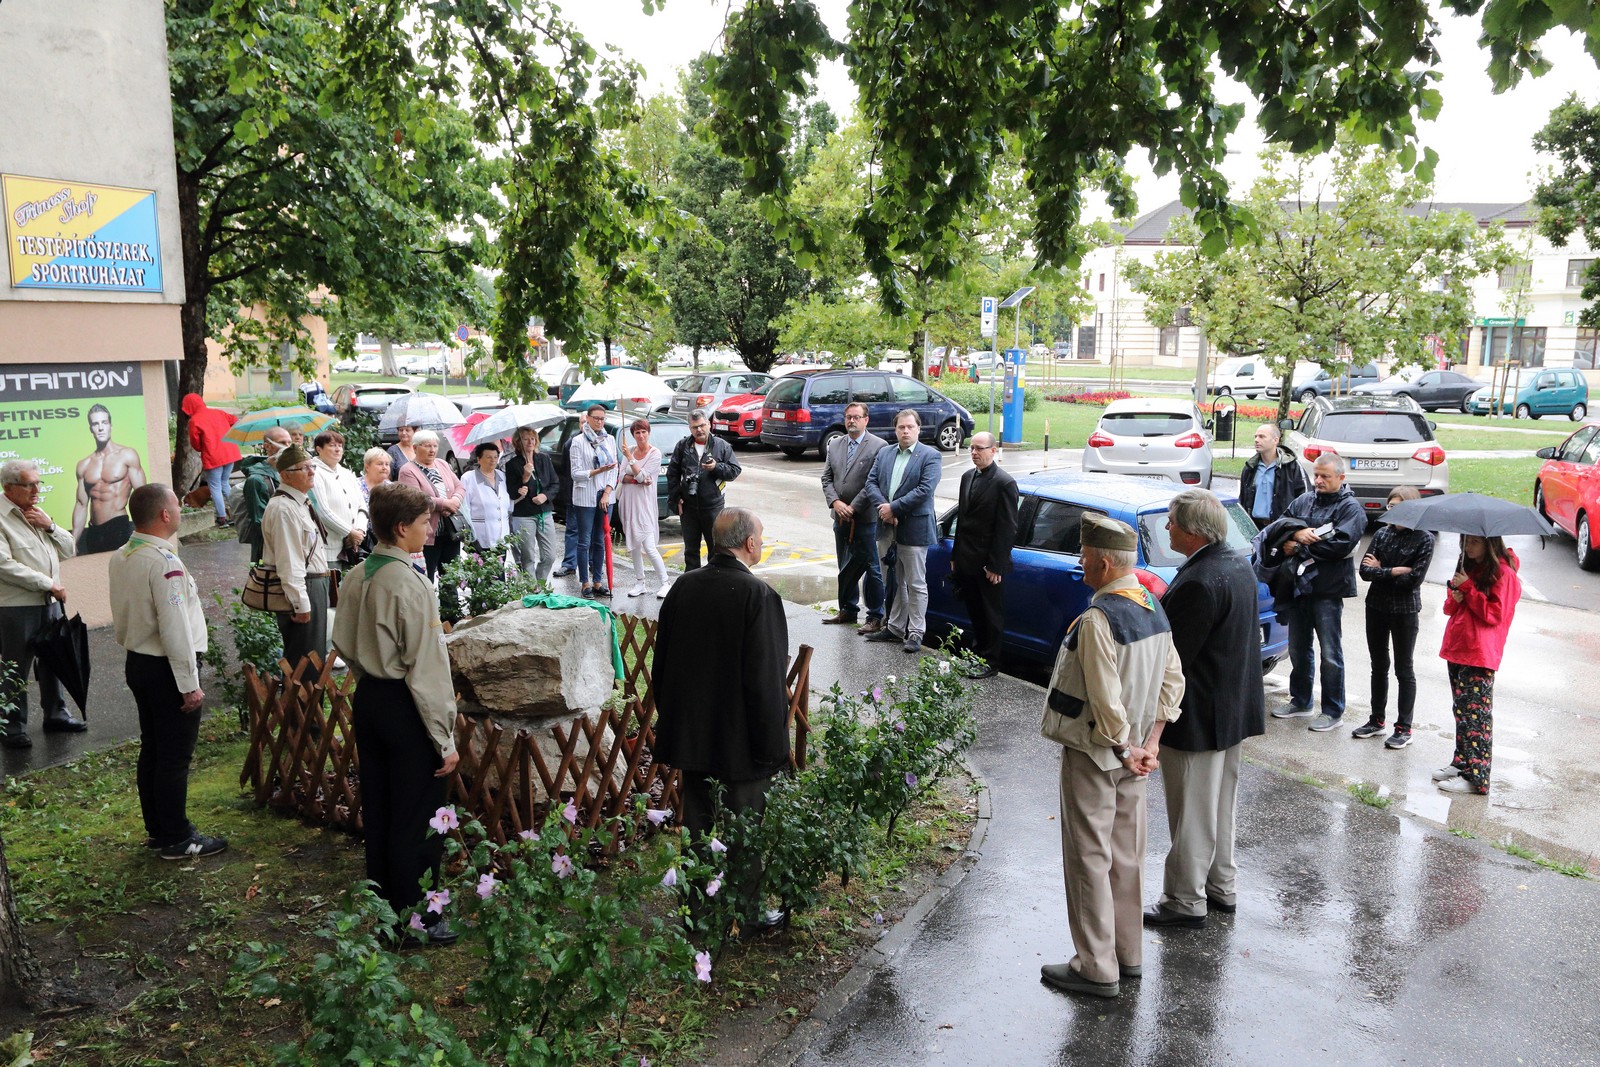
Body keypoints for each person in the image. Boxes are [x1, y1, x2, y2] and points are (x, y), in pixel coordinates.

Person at [1039, 513, 1184, 1000]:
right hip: (1139, 754)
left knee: (1088, 858)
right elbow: (1172, 683)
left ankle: (1096, 966)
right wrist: (1150, 746)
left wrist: (1124, 748)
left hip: (1101, 754)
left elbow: (1104, 698)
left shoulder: (1100, 618)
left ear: (1103, 563)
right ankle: (1128, 954)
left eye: (1083, 556)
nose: (1079, 563)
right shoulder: (1153, 608)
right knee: (1127, 856)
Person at [331, 482, 460, 946]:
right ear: (402, 527)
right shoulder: (410, 584)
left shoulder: (356, 575)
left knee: (383, 806)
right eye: (426, 523)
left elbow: (341, 641)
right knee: (419, 813)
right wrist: (443, 739)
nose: (431, 530)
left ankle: (386, 907)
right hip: (407, 703)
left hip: (370, 698)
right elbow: (426, 668)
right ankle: (418, 918)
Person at [652, 508, 789, 933]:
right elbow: (765, 682)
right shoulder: (757, 595)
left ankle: (695, 911)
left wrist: (674, 723)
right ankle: (746, 913)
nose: (762, 544)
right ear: (748, 543)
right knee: (745, 828)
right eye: (761, 537)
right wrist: (774, 749)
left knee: (698, 826)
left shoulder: (684, 587)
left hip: (693, 737)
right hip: (741, 740)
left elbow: (662, 666)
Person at [1144, 490, 1262, 929]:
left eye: (1172, 521)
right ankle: (1220, 887)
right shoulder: (1235, 563)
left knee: (1192, 812)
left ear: (1192, 531)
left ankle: (1184, 899)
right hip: (1231, 711)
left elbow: (1174, 660)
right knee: (1219, 807)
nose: (1167, 527)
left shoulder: (1198, 580)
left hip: (1197, 717)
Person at [109, 484, 226, 860]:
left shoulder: (124, 554)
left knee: (154, 749)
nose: (181, 509)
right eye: (177, 504)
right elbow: (174, 628)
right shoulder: (163, 563)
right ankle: (177, 838)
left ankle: (159, 830)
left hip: (139, 663)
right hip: (165, 668)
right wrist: (189, 685)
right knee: (174, 755)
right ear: (164, 514)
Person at [1268, 454, 1367, 733]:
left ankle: (1333, 710)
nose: (1319, 481)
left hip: (1328, 590)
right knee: (1298, 648)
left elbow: (1339, 546)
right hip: (1297, 588)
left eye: (1325, 476)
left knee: (1330, 653)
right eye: (1316, 475)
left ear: (1341, 478)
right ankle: (1300, 701)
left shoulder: (1351, 509)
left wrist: (1297, 545)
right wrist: (1295, 534)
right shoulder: (1303, 501)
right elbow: (1279, 527)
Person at [0, 460, 80, 749]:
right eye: (29, 484)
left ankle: (56, 714)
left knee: (52, 661)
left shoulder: (37, 512)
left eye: (38, 483)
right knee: (15, 668)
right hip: (15, 607)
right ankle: (11, 727)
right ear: (8, 488)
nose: (36, 490)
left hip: (49, 603)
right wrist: (49, 584)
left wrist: (51, 526)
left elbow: (69, 549)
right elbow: (4, 566)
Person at [1436, 535, 1522, 796]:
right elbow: (1449, 608)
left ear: (1490, 543)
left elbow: (1496, 614)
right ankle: (1461, 762)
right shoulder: (1468, 568)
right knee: (1462, 712)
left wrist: (1470, 590)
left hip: (1479, 652)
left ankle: (1477, 778)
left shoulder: (1504, 574)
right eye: (1465, 541)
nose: (1468, 547)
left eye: (1474, 542)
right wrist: (1458, 595)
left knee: (1478, 718)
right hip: (1458, 647)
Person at [1354, 487, 1435, 749]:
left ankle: (1404, 727)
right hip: (1376, 606)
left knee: (1404, 669)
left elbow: (1413, 580)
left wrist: (1383, 570)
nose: (1394, 512)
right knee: (1378, 665)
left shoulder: (1424, 539)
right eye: (1390, 507)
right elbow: (1365, 571)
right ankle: (1377, 720)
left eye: (1400, 507)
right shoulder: (1382, 533)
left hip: (1405, 611)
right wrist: (1394, 571)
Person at [863, 410, 942, 653]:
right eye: (901, 427)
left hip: (914, 528)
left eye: (910, 427)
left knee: (916, 583)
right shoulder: (886, 452)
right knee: (893, 580)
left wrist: (894, 508)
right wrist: (884, 509)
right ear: (895, 429)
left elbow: (924, 490)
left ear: (918, 429)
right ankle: (895, 627)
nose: (905, 431)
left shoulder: (930, 455)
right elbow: (870, 483)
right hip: (887, 528)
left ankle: (916, 632)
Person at [950, 431, 1018, 676]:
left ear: (994, 450)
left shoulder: (1004, 482)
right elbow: (962, 522)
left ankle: (990, 662)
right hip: (966, 559)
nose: (974, 453)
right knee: (975, 612)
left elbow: (1007, 528)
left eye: (980, 448)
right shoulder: (967, 477)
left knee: (991, 614)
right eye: (971, 448)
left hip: (987, 563)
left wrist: (996, 565)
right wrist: (955, 556)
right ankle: (976, 655)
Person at [260, 446, 332, 674]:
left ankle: (308, 709)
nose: (311, 472)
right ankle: (300, 709)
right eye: (304, 468)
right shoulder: (284, 508)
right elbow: (288, 562)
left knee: (313, 658)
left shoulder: (297, 502)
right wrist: (300, 603)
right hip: (304, 588)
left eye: (312, 467)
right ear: (285, 475)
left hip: (313, 585)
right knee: (304, 663)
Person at [819, 401, 887, 633]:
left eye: (857, 417)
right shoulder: (836, 444)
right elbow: (826, 478)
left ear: (866, 420)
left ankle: (875, 616)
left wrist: (853, 507)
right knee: (845, 566)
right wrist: (836, 503)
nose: (851, 421)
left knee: (872, 567)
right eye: (848, 417)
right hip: (840, 518)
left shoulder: (879, 446)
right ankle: (848, 610)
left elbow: (874, 482)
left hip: (866, 519)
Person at [396, 430, 467, 614]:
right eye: (427, 445)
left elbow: (459, 486)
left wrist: (455, 501)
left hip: (450, 531)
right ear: (415, 448)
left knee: (450, 576)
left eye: (434, 445)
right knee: (425, 579)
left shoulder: (442, 464)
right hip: (426, 535)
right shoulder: (408, 470)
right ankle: (426, 616)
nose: (432, 450)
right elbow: (415, 498)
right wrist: (445, 503)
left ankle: (451, 616)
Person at [666, 410, 741, 571]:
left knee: (716, 550)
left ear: (708, 424)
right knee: (691, 551)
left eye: (701, 425)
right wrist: (676, 498)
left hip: (713, 507)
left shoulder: (721, 446)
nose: (699, 430)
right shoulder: (682, 446)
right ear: (690, 428)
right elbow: (672, 474)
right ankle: (692, 586)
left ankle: (714, 584)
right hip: (688, 507)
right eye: (695, 427)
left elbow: (735, 471)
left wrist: (716, 468)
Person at [72, 403, 146, 554]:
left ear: (110, 425)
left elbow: (143, 497)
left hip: (118, 526)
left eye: (104, 423)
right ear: (90, 429)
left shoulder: (127, 455)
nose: (100, 428)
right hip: (93, 531)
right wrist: (73, 542)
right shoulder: (84, 465)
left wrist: (146, 534)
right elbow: (81, 505)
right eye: (95, 424)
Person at [568, 405, 620, 598]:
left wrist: (607, 492)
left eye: (602, 419)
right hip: (585, 496)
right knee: (585, 541)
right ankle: (585, 582)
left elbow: (614, 468)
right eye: (596, 418)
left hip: (605, 495)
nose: (599, 422)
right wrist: (597, 471)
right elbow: (575, 473)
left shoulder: (610, 439)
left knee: (600, 540)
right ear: (587, 419)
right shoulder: (578, 441)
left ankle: (598, 581)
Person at [619, 418, 670, 598]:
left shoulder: (655, 453)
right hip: (628, 502)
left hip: (645, 505)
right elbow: (622, 476)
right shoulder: (629, 451)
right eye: (637, 433)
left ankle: (665, 582)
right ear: (633, 435)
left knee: (649, 546)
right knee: (634, 546)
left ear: (648, 433)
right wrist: (636, 477)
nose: (640, 436)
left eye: (643, 432)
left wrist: (631, 463)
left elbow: (644, 477)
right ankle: (640, 582)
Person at [309, 430, 369, 573]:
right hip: (329, 548)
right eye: (332, 445)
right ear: (319, 449)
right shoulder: (315, 473)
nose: (337, 449)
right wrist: (349, 532)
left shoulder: (347, 473)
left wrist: (359, 531)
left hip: (352, 546)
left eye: (340, 446)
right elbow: (322, 511)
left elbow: (362, 505)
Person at [505, 427, 559, 584]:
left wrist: (545, 496)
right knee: (527, 556)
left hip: (544, 512)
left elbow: (555, 483)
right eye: (525, 438)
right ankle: (532, 590)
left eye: (532, 438)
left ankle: (539, 584)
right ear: (517, 442)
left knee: (549, 556)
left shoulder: (543, 459)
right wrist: (525, 476)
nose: (530, 441)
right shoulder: (512, 464)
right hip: (523, 515)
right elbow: (512, 494)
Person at [181, 393, 242, 528]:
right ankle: (237, 515)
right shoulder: (219, 412)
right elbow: (235, 420)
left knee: (215, 487)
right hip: (230, 453)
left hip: (213, 456)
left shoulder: (195, 421)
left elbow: (196, 444)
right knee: (225, 484)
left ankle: (222, 518)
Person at [239, 427, 292, 563]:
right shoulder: (256, 480)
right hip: (268, 548)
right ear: (267, 446)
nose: (287, 447)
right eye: (282, 442)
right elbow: (259, 521)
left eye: (289, 443)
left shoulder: (292, 472)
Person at [1239, 424, 1306, 530]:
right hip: (1254, 527)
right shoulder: (1250, 467)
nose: (1256, 440)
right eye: (1255, 436)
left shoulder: (1291, 466)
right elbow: (1242, 500)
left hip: (1281, 528)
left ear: (1275, 440)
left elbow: (1304, 499)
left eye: (1262, 436)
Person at [461, 441, 513, 547]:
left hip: (502, 537)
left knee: (501, 563)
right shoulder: (468, 478)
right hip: (479, 538)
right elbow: (464, 508)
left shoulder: (502, 476)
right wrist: (467, 535)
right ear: (479, 459)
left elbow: (509, 505)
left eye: (495, 457)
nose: (493, 460)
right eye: (489, 457)